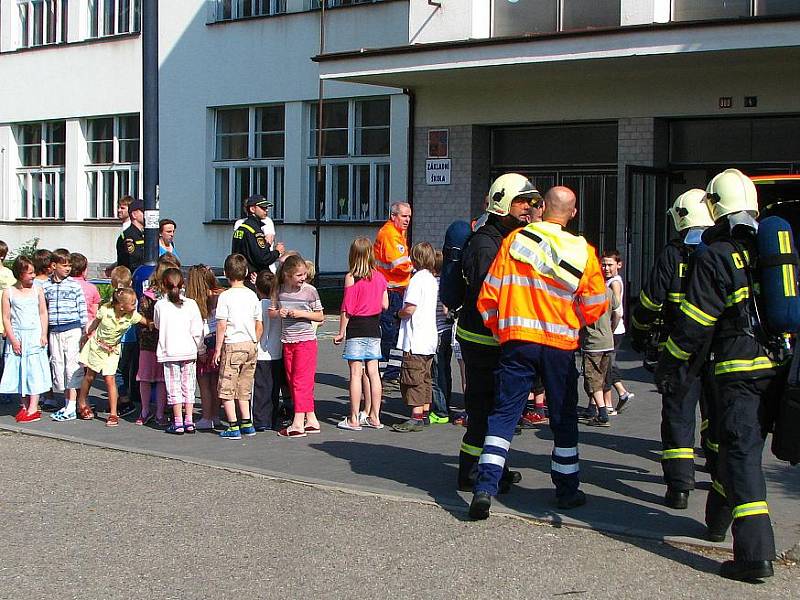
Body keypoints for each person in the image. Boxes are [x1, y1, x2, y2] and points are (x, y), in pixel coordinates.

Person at [655, 169, 783, 582]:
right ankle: (716, 521)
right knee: (735, 448)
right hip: (775, 367)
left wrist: (671, 360)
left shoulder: (717, 254)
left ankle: (755, 555)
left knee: (742, 456)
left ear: (716, 208)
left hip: (736, 372)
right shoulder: (770, 249)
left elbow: (695, 323)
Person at [469, 186, 608, 520]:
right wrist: (571, 320)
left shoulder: (515, 241)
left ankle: (485, 487)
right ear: (572, 213)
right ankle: (567, 490)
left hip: (517, 342)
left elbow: (488, 297)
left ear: (543, 207)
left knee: (503, 415)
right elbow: (595, 305)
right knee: (562, 417)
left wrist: (501, 332)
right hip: (559, 346)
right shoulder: (583, 251)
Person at [630, 188, 714, 509]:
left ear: (682, 218)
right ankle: (720, 474)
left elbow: (651, 300)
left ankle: (679, 488)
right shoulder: (722, 250)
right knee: (716, 411)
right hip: (717, 350)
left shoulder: (674, 253)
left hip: (678, 349)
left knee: (678, 414)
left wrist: (639, 335)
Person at [455, 173, 539, 491]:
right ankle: (469, 473)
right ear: (502, 202)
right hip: (482, 342)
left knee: (499, 410)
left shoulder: (505, 239)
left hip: (497, 340)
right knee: (482, 411)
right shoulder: (484, 244)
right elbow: (487, 295)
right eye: (522, 201)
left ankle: (495, 467)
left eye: (531, 202)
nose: (528, 208)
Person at [334, 237, 388, 431]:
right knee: (374, 373)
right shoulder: (380, 277)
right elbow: (385, 304)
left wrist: (341, 332)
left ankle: (354, 418)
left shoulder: (352, 276)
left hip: (357, 327)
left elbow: (347, 308)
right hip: (374, 328)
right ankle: (375, 416)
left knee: (356, 374)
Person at [77, 287, 149, 426]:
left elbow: (146, 321)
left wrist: (155, 325)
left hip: (113, 350)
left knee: (110, 378)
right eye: (133, 303)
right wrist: (86, 334)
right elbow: (95, 324)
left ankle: (113, 413)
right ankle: (82, 399)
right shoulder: (105, 310)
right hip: (97, 347)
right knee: (90, 376)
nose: (135, 306)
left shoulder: (132, 315)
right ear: (121, 305)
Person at [270, 254, 324, 438]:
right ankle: (312, 419)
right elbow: (272, 312)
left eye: (304, 274)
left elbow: (319, 316)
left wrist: (301, 314)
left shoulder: (310, 291)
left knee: (301, 380)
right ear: (287, 275)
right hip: (288, 340)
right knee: (294, 379)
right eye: (299, 275)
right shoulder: (279, 290)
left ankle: (298, 423)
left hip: (306, 340)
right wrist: (280, 312)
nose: (303, 278)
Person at [213, 254, 262, 440]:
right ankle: (247, 422)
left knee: (226, 386)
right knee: (244, 386)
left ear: (226, 273)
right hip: (250, 344)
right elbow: (259, 323)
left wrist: (218, 349)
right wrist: (255, 341)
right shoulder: (252, 295)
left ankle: (233, 426)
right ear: (247, 272)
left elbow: (221, 325)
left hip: (233, 343)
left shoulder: (225, 296)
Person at [391, 242, 438, 433]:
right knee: (426, 376)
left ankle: (416, 415)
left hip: (415, 337)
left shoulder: (416, 280)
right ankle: (425, 412)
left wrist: (397, 314)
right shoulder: (432, 279)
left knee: (413, 377)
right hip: (429, 337)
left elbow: (410, 308)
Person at [0, 256, 51, 422]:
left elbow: (43, 313)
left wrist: (43, 334)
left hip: (34, 335)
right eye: (29, 273)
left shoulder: (38, 290)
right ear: (20, 273)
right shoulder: (9, 292)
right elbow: (6, 318)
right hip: (18, 336)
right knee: (19, 370)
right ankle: (24, 405)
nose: (33, 275)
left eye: (34, 272)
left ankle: (33, 407)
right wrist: (13, 340)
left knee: (34, 370)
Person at [155, 268, 204, 435]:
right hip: (189, 351)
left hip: (169, 351)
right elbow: (197, 330)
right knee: (189, 386)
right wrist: (201, 348)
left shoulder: (160, 305)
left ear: (163, 285)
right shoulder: (191, 304)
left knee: (174, 387)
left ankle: (177, 421)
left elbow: (157, 324)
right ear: (182, 284)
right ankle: (189, 420)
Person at [44, 249, 88, 422]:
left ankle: (71, 406)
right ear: (54, 266)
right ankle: (67, 402)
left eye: (70, 265)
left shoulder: (74, 285)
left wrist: (85, 330)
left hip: (72, 329)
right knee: (58, 365)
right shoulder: (46, 286)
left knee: (72, 366)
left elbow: (82, 308)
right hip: (55, 330)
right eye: (64, 265)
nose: (68, 268)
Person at [373, 201, 413, 384]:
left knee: (396, 332)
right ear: (393, 216)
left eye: (409, 216)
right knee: (390, 332)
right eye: (404, 216)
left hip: (396, 289)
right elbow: (400, 264)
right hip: (390, 290)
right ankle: (383, 371)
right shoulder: (390, 234)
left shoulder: (397, 233)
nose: (407, 220)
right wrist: (415, 268)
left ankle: (391, 371)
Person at [185, 265, 223, 432]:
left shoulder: (193, 301)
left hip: (203, 341)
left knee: (204, 384)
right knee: (216, 383)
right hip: (218, 340)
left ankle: (206, 417)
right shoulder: (219, 296)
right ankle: (215, 415)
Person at [134, 262, 171, 426]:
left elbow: (140, 315)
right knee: (153, 378)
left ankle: (151, 411)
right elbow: (140, 316)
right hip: (156, 341)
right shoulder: (153, 295)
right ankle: (153, 411)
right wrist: (151, 323)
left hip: (156, 341)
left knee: (153, 378)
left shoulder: (155, 294)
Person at [600, 249, 634, 413]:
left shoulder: (614, 282)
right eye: (604, 264)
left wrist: (610, 330)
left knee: (606, 366)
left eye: (610, 264)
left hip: (614, 331)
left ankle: (609, 404)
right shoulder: (608, 280)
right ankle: (621, 393)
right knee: (607, 365)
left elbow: (617, 310)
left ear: (619, 265)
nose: (606, 268)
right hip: (612, 330)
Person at [580, 286, 618, 427]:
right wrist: (611, 329)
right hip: (608, 340)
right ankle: (591, 408)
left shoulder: (583, 292)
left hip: (592, 342)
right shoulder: (607, 290)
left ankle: (602, 414)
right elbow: (618, 313)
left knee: (592, 378)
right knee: (601, 376)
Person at [253, 270, 285, 432]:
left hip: (261, 352)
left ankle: (260, 419)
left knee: (260, 389)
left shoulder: (258, 306)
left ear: (257, 288)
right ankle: (272, 419)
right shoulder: (278, 306)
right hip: (277, 351)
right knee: (274, 388)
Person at [231, 195, 284, 282]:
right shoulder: (254, 230)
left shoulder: (241, 228)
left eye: (266, 207)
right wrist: (277, 252)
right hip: (255, 279)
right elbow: (263, 258)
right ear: (252, 209)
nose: (266, 210)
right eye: (263, 208)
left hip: (241, 277)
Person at [430, 249, 452, 424]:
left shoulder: (432, 284)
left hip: (436, 331)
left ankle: (440, 409)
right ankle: (447, 403)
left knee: (436, 374)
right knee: (446, 370)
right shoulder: (446, 285)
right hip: (447, 331)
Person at [70, 253, 101, 324]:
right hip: (87, 326)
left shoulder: (62, 285)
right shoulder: (92, 288)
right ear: (84, 270)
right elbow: (94, 312)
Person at [116, 199, 145, 274]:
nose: (146, 215)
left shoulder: (143, 234)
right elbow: (133, 261)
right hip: (132, 277)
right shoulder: (129, 235)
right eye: (143, 212)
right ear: (134, 214)